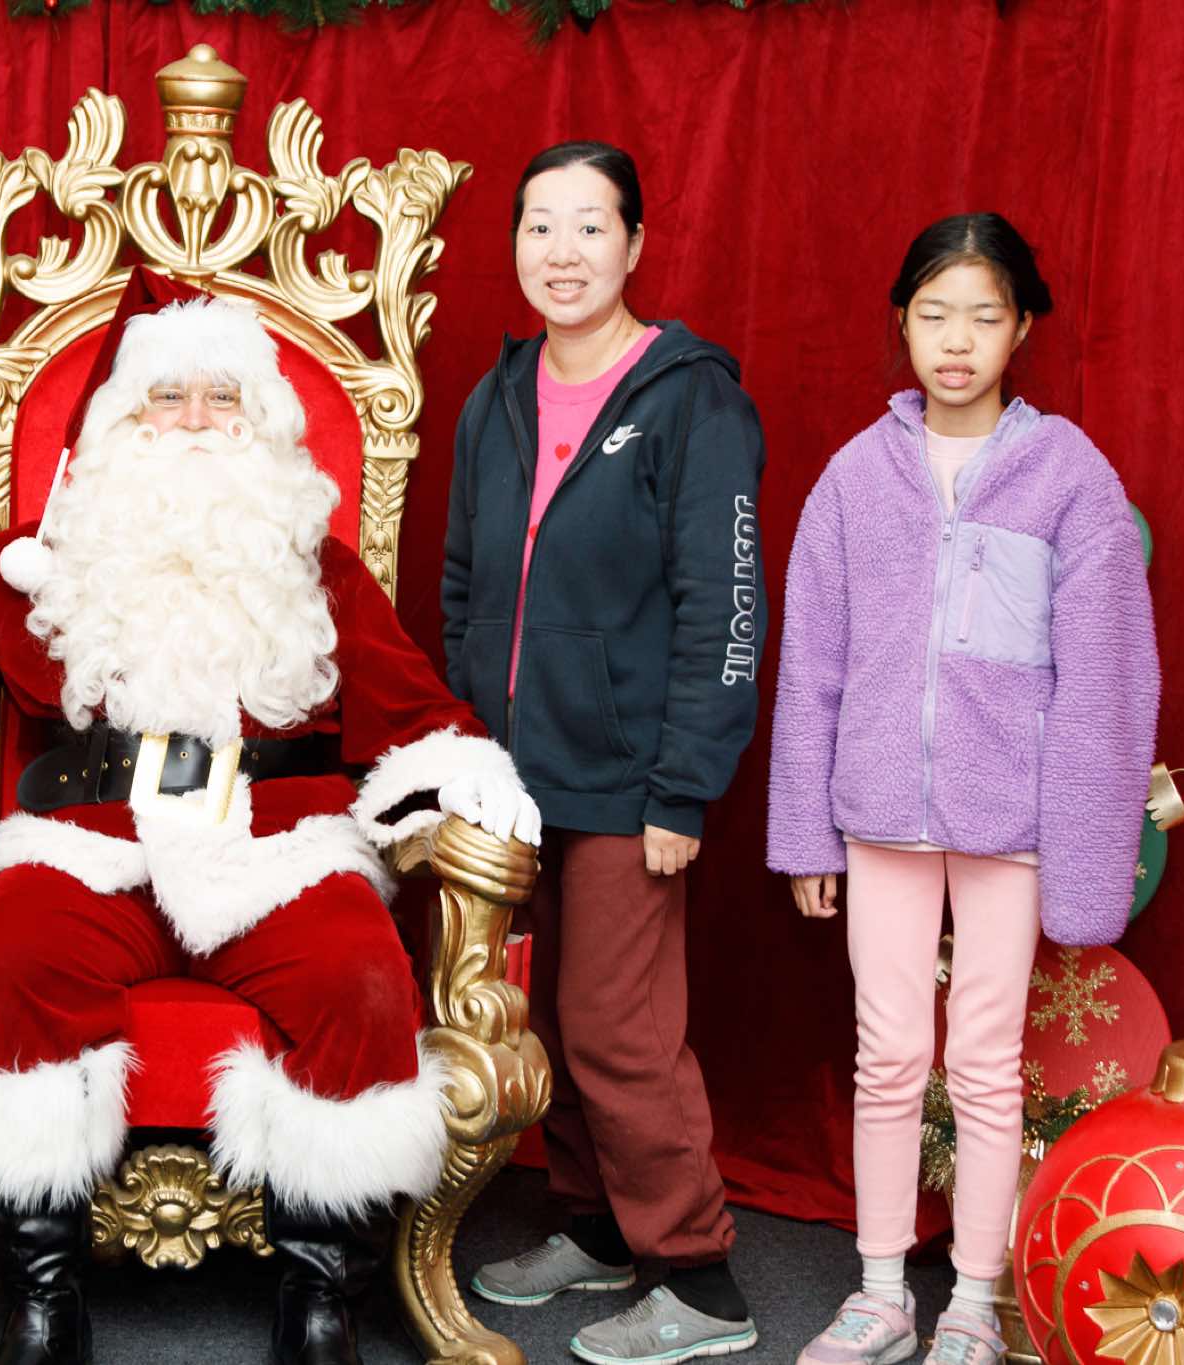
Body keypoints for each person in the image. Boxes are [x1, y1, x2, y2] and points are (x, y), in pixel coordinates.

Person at [0, 273, 543, 1365]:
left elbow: (418, 707)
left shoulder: (313, 569)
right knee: (6, 960)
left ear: (262, 423)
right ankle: (43, 1294)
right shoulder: (47, 560)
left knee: (361, 977)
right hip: (88, 850)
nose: (197, 420)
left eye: (223, 397)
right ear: (122, 420)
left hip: (275, 852)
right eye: (168, 396)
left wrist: (464, 769)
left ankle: (319, 1294)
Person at [768, 212, 1159, 1365]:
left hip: (1012, 824)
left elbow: (1105, 678)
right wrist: (806, 834)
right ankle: (879, 1294)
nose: (954, 341)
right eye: (932, 315)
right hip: (879, 814)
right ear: (901, 322)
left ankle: (975, 1306)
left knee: (986, 1065)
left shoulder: (1068, 477)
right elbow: (811, 661)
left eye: (981, 317)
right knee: (886, 1056)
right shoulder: (853, 478)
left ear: (1019, 328)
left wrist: (1083, 855)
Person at [442, 141, 768, 1365]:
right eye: (539, 226)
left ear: (632, 244)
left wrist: (683, 788)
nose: (562, 252)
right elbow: (464, 577)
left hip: (634, 781)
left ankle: (696, 1274)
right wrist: (471, 737)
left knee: (613, 1025)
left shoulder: (690, 399)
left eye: (589, 226)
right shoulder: (496, 397)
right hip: (513, 779)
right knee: (545, 1017)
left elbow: (725, 607)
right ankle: (590, 1226)